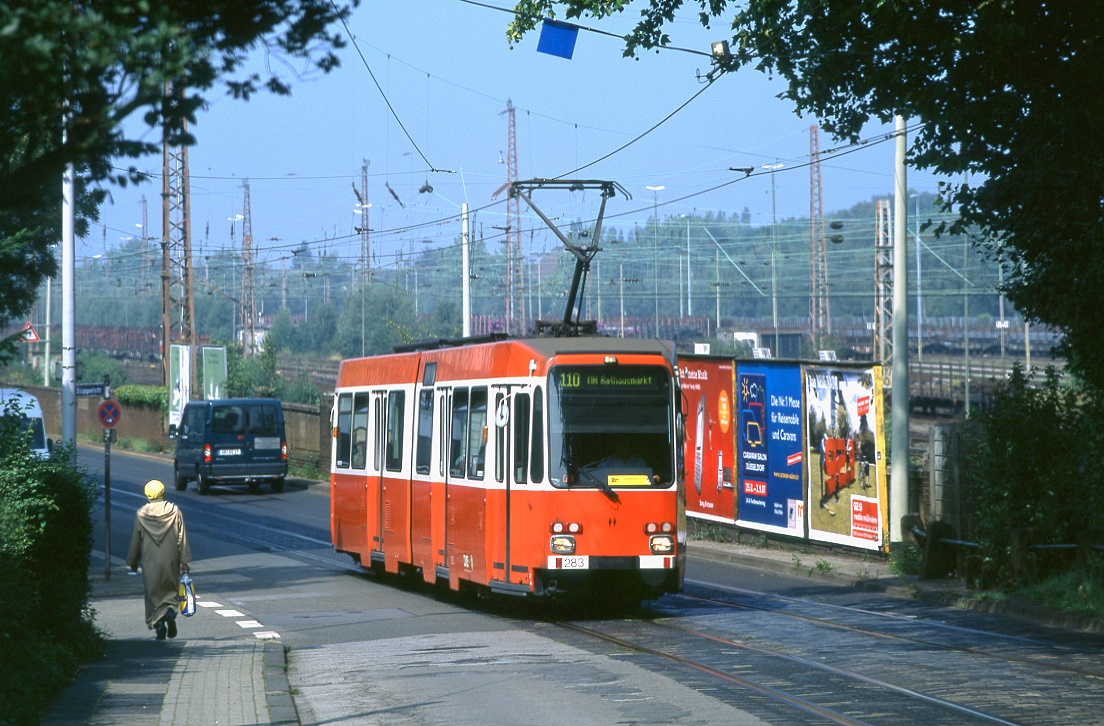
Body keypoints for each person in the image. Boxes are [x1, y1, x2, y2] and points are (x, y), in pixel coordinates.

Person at [126, 479, 192, 640]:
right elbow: (181, 538)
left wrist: (133, 561)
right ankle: (170, 612)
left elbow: (136, 539)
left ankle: (158, 624)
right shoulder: (174, 511)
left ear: (147, 493)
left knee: (153, 594)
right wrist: (184, 561)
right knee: (170, 590)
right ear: (162, 491)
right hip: (171, 559)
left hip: (150, 561)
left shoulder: (142, 514)